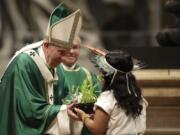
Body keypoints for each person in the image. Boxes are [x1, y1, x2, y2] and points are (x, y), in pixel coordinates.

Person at [0, 3, 82, 135]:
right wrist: (63, 109)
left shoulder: (57, 66)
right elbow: (28, 111)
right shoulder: (24, 63)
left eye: (67, 52)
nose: (64, 58)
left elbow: (64, 94)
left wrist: (73, 102)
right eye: (61, 52)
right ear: (46, 45)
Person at [68, 50, 148, 135]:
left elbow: (97, 130)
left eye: (102, 72)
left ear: (108, 76)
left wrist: (83, 116)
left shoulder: (107, 98)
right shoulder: (138, 96)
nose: (101, 76)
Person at [56, 36, 102, 135]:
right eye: (67, 47)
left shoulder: (89, 75)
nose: (71, 51)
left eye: (75, 47)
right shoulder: (51, 74)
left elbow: (99, 106)